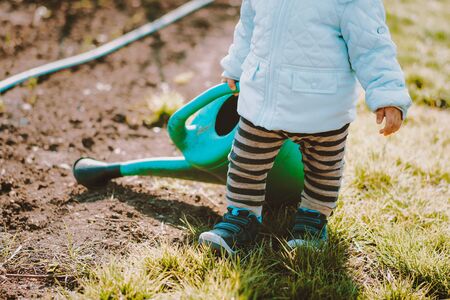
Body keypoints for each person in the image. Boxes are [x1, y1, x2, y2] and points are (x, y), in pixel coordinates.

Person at [198, 0, 412, 255]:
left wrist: (388, 94)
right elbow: (248, 26)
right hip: (262, 101)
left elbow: (372, 47)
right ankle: (241, 218)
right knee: (246, 163)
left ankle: (312, 221)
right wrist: (235, 65)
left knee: (323, 170)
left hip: (322, 107)